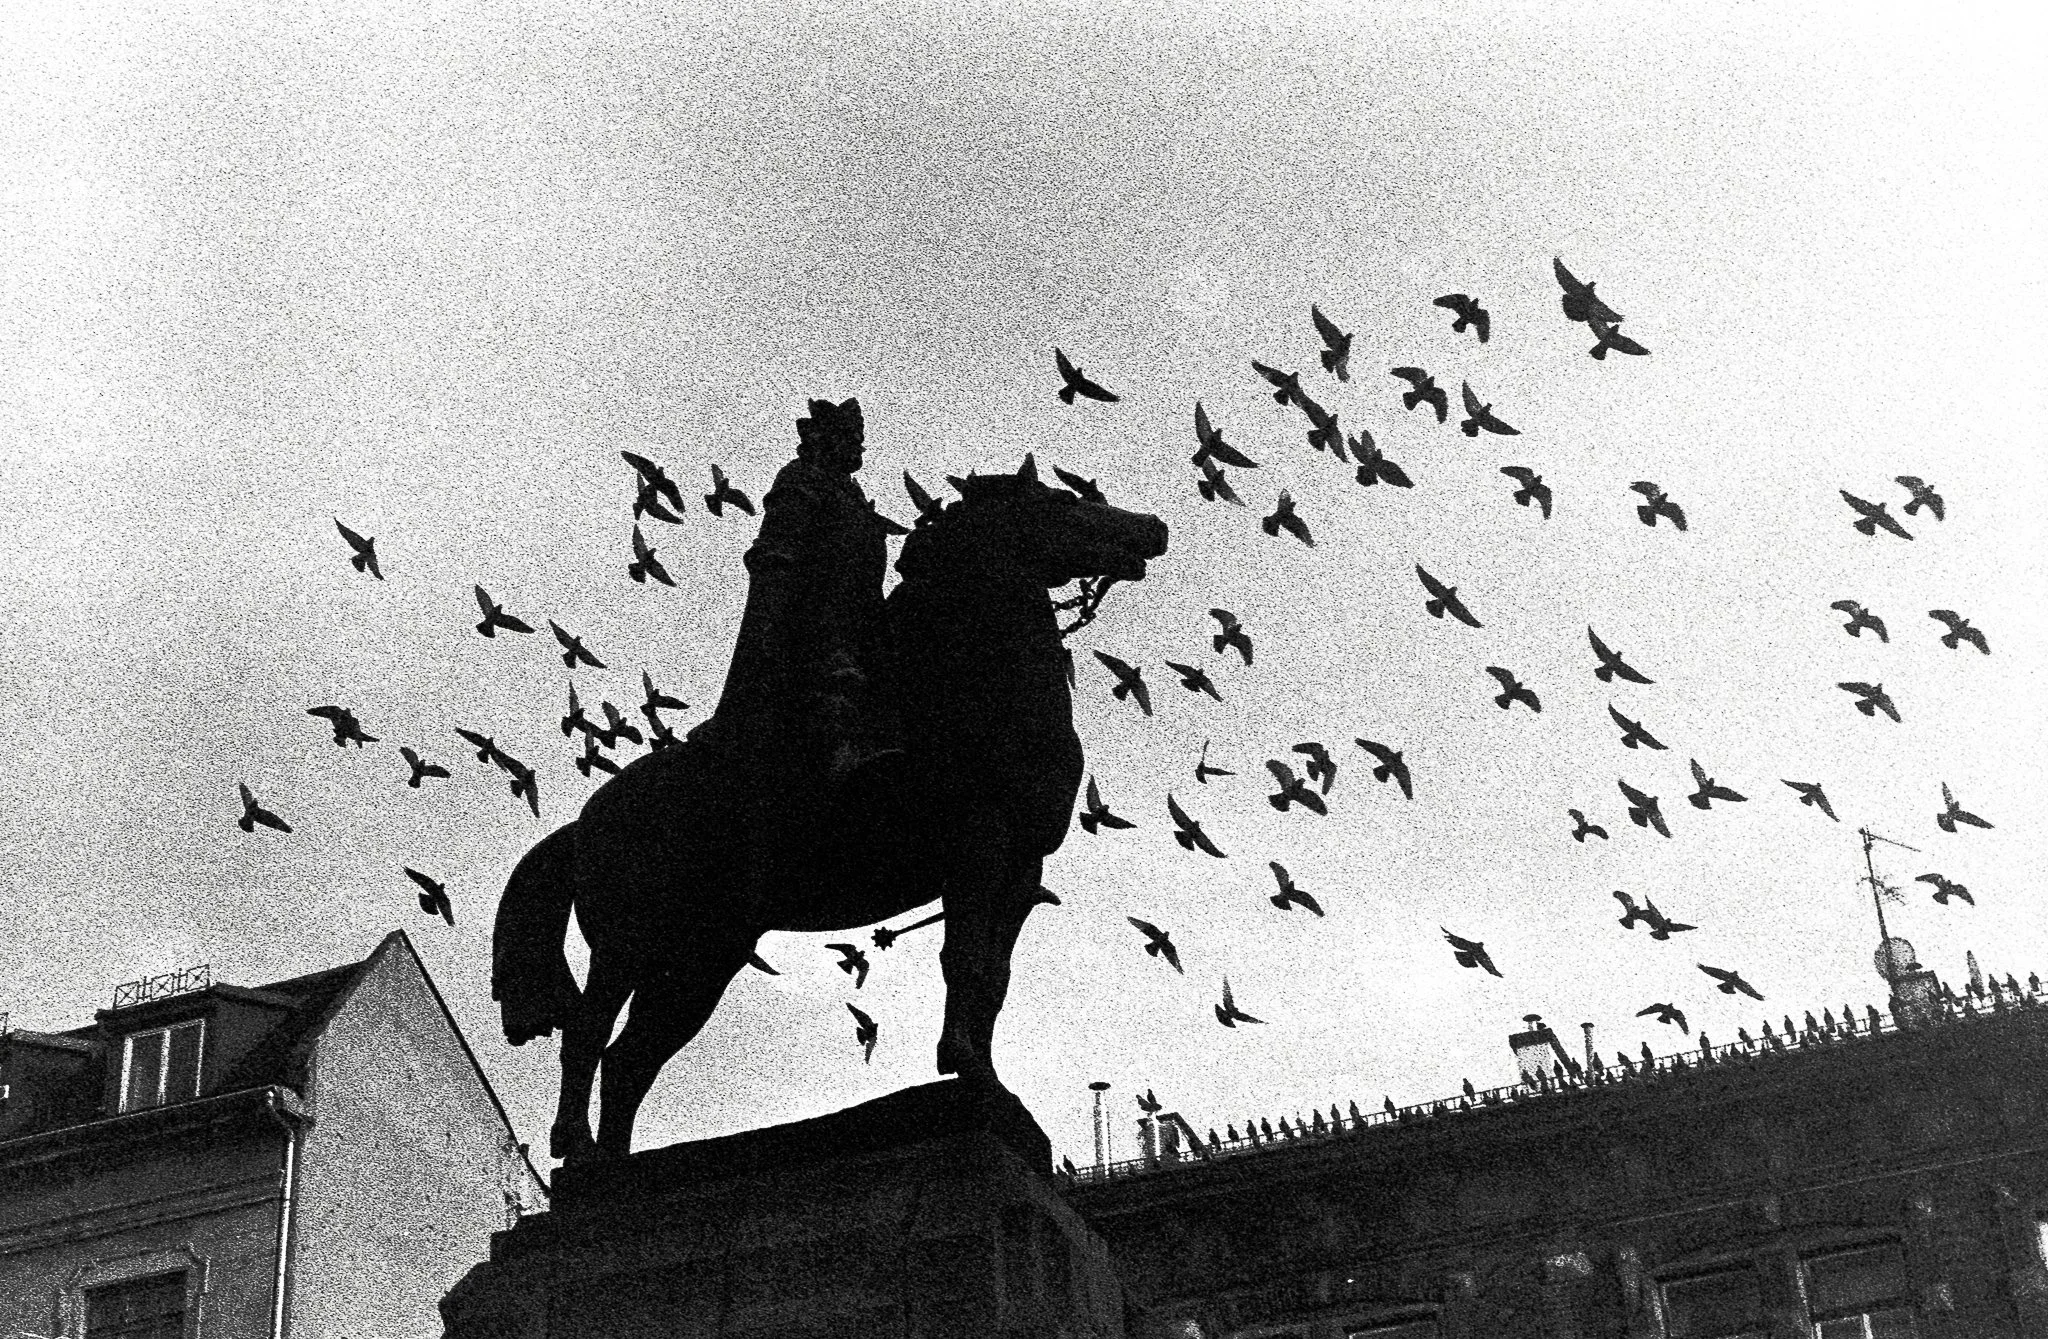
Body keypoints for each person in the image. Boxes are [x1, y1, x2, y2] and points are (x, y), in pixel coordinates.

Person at [692, 396, 900, 800]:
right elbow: (775, 553)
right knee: (833, 693)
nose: (858, 447)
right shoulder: (801, 478)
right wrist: (771, 623)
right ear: (823, 439)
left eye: (860, 439)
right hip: (811, 624)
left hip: (860, 622)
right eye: (849, 438)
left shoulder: (853, 498)